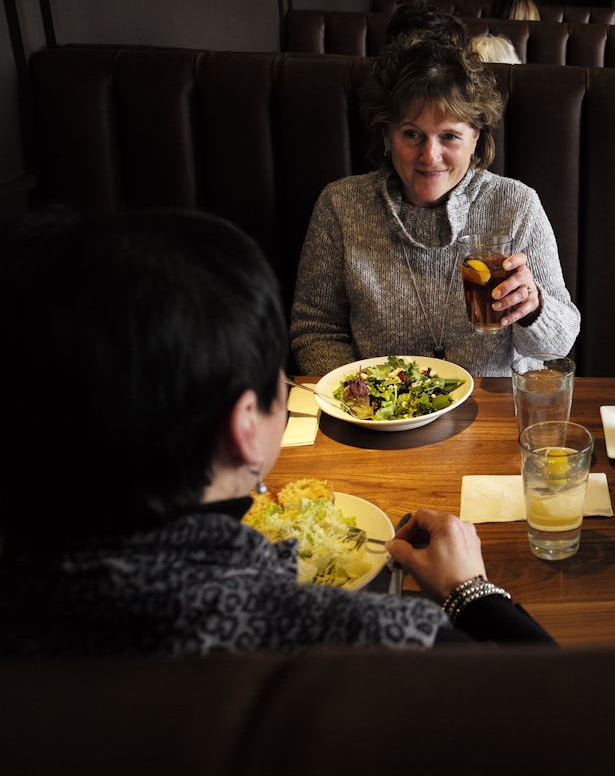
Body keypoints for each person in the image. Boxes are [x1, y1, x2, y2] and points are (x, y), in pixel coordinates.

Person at [0, 209, 553, 656]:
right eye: (279, 379)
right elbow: (561, 714)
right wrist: (472, 595)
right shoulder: (367, 642)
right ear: (245, 427)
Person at [290, 35, 580, 376]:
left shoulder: (516, 205)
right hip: (379, 418)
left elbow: (558, 345)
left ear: (476, 138)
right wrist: (361, 397)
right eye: (412, 134)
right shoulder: (341, 205)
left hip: (493, 413)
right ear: (387, 136)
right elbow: (316, 329)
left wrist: (533, 308)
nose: (430, 156)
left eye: (449, 136)